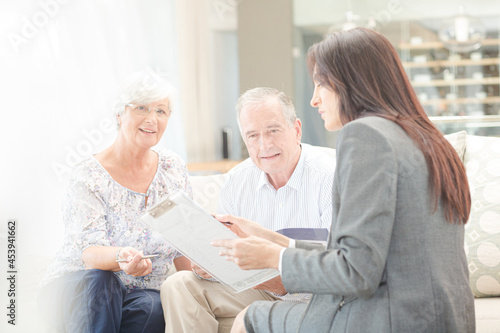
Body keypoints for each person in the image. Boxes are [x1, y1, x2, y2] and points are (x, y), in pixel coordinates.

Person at [212, 28, 475, 333]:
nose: (314, 100)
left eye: (320, 84)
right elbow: (368, 253)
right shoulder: (425, 138)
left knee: (249, 317)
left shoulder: (366, 135)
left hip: (389, 319)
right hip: (442, 319)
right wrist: (275, 240)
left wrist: (274, 256)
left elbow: (356, 272)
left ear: (349, 83)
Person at [160, 87, 336, 332]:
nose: (264, 145)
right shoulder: (236, 181)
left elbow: (340, 263)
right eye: (253, 136)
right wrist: (209, 266)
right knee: (179, 283)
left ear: (296, 130)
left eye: (273, 131)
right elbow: (224, 249)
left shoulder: (330, 177)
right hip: (258, 289)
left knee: (251, 315)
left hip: (317, 298)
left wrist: (280, 277)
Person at [38, 71, 192, 333]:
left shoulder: (173, 168)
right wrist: (122, 256)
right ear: (120, 114)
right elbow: (89, 252)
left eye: (161, 111)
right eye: (141, 107)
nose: (152, 118)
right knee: (103, 280)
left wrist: (200, 277)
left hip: (137, 292)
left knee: (153, 307)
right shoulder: (89, 176)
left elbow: (184, 239)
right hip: (78, 284)